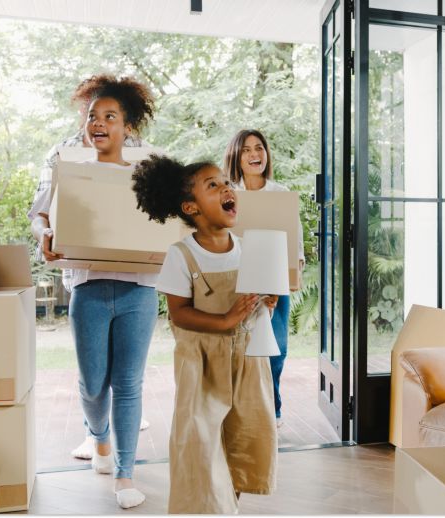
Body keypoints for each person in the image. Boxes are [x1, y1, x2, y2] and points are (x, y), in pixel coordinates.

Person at [29, 76, 158, 509]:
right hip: (87, 284)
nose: (98, 123)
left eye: (110, 116)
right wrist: (45, 232)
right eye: (92, 116)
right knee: (92, 383)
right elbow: (40, 214)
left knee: (128, 383)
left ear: (127, 124)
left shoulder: (147, 165)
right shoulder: (68, 161)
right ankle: (99, 438)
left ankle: (125, 474)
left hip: (139, 287)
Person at [132, 155, 278, 514]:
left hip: (246, 362)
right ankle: (206, 507)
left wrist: (267, 303)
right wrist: (226, 320)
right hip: (201, 364)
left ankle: (231, 506)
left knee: (243, 438)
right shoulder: (182, 255)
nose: (226, 188)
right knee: (201, 442)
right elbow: (179, 315)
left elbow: (255, 313)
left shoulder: (248, 249)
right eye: (212, 185)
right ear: (191, 207)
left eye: (227, 182)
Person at [223, 129, 304, 428]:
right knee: (240, 348)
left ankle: (274, 408)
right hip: (236, 282)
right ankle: (240, 409)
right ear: (236, 156)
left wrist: (288, 281)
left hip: (274, 282)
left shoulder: (280, 193)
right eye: (246, 150)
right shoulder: (227, 193)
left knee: (275, 350)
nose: (254, 154)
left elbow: (294, 241)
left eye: (259, 148)